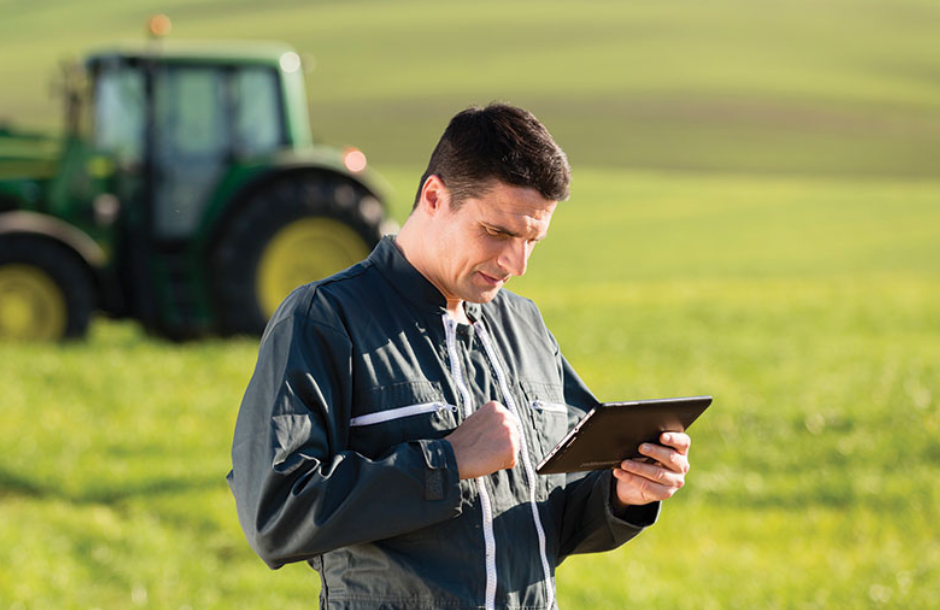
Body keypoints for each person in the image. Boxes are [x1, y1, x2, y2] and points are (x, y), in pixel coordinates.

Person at [228, 103, 692, 610]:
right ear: (434, 197)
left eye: (533, 239)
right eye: (498, 233)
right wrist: (447, 462)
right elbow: (274, 514)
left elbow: (551, 521)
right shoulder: (325, 318)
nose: (517, 263)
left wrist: (625, 493)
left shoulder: (525, 325)